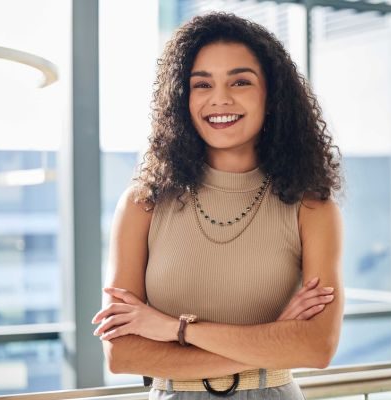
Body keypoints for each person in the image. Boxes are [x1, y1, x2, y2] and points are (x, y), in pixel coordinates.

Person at [91, 11, 344, 399]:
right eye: (202, 84)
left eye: (240, 81)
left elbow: (316, 347)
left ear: (271, 96)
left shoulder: (311, 208)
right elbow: (122, 353)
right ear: (182, 98)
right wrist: (272, 340)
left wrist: (176, 330)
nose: (220, 98)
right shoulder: (144, 204)